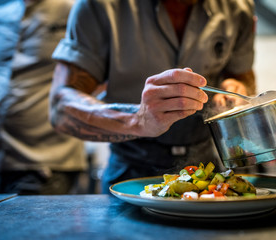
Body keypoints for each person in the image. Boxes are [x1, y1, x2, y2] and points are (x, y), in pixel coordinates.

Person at [50, 0, 256, 193]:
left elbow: (242, 77)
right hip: (130, 174)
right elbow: (60, 107)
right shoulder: (100, 6)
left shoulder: (238, 8)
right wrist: (137, 120)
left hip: (208, 171)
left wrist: (237, 88)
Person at [0, 0, 87, 195]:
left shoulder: (71, 9)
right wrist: (0, 92)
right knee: (1, 224)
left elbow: (101, 66)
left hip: (49, 156)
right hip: (2, 154)